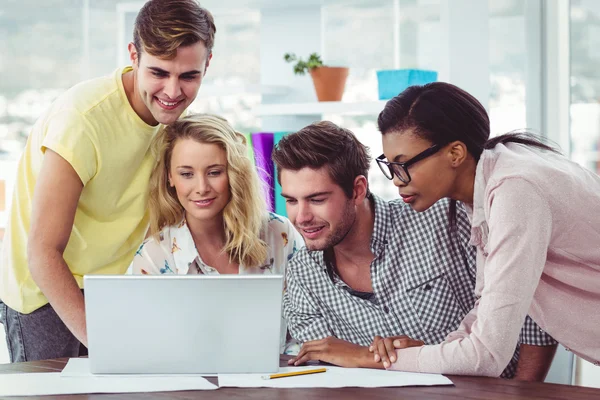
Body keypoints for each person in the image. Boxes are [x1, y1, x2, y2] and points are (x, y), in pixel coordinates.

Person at [0, 0, 216, 362]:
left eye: (189, 76)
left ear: (207, 64)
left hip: (117, 288)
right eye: (159, 73)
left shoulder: (174, 122)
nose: (173, 91)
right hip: (46, 295)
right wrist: (104, 341)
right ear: (134, 55)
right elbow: (42, 252)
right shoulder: (83, 120)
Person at [272, 121, 557, 380]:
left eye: (317, 199)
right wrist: (396, 359)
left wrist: (523, 392)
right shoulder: (301, 276)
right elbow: (331, 368)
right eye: (292, 201)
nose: (301, 217)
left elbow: (532, 309)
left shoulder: (445, 219)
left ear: (357, 190)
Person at [372, 81, 600, 377]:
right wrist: (422, 357)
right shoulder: (496, 174)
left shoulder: (515, 190)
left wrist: (370, 360)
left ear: (455, 153)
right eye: (389, 166)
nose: (396, 180)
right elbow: (486, 311)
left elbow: (485, 356)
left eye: (404, 165)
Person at [131, 113, 303, 353]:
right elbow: (143, 345)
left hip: (279, 383)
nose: (201, 188)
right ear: (170, 177)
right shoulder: (153, 257)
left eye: (214, 172)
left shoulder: (280, 234)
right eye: (186, 174)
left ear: (234, 174)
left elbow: (309, 331)